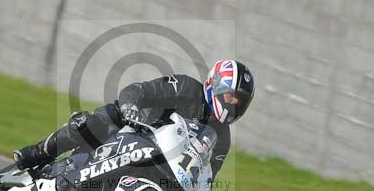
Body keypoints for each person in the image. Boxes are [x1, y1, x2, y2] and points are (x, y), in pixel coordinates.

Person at [13, 60, 256, 183]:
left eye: (239, 102)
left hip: (157, 163)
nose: (233, 104)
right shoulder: (186, 87)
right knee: (93, 124)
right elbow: (140, 90)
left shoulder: (221, 137)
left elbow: (209, 176)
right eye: (230, 97)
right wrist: (132, 108)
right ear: (214, 85)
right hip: (132, 126)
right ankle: (37, 152)